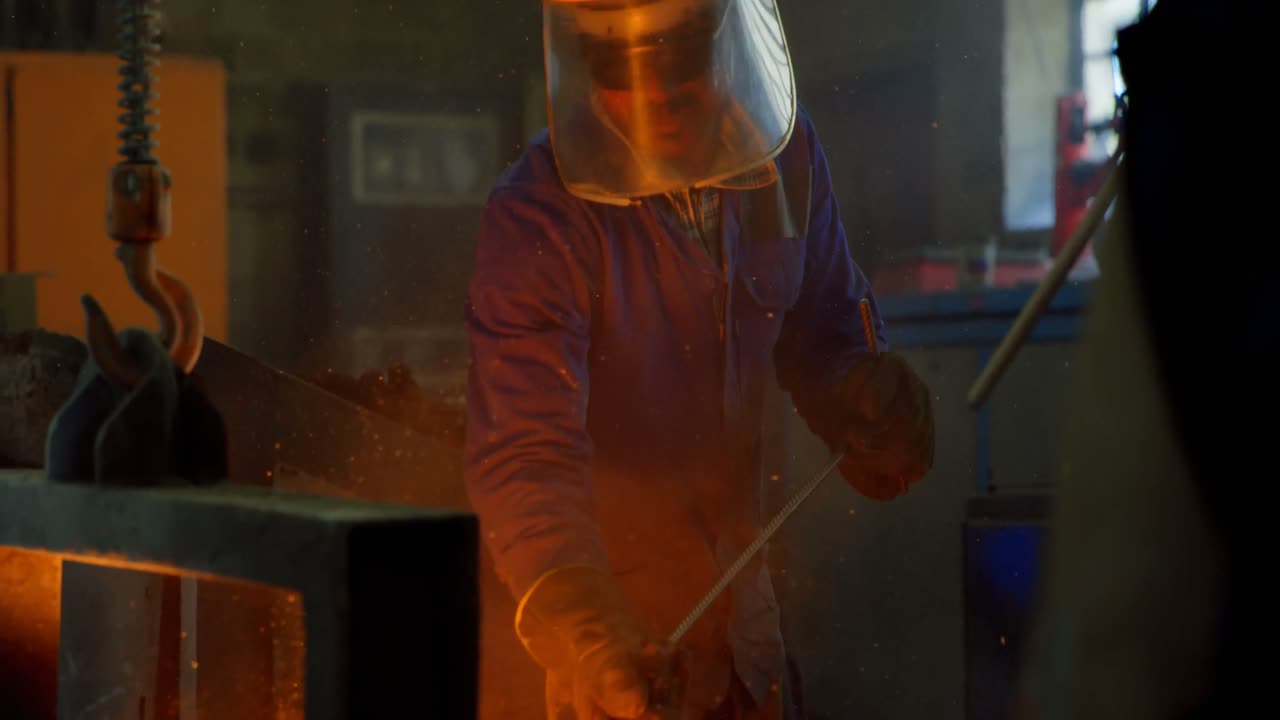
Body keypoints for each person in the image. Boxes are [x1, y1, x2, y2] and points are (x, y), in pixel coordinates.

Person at [463, 1, 935, 717]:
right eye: (619, 66)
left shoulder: (784, 158)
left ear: (725, 37)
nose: (654, 94)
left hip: (748, 636)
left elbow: (828, 330)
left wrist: (868, 399)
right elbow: (526, 452)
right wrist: (581, 618)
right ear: (579, 63)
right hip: (619, 653)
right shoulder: (540, 217)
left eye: (678, 55)